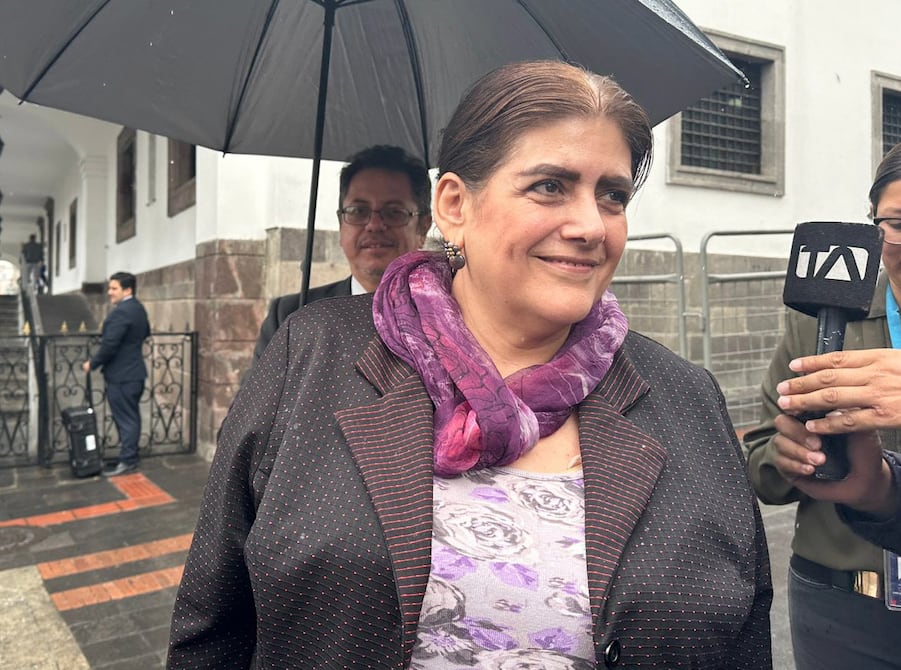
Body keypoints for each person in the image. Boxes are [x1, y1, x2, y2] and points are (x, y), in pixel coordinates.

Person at [168, 60, 772, 669]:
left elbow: (744, 636)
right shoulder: (313, 354)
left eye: (612, 195)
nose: (592, 225)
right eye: (550, 186)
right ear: (454, 205)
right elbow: (213, 625)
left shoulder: (687, 397)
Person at [743, 142, 901, 670]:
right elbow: (762, 465)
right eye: (898, 223)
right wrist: (788, 457)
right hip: (842, 602)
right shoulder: (820, 320)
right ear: (873, 226)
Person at [252, 144, 431, 361]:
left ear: (423, 227)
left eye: (394, 212)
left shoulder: (445, 314)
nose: (374, 225)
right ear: (340, 224)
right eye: (358, 211)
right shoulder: (289, 316)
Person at [83, 272, 151, 477]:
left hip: (123, 375)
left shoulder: (122, 312)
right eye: (109, 288)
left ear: (127, 290)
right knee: (130, 417)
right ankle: (128, 455)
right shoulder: (138, 308)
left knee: (126, 420)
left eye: (114, 288)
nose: (109, 292)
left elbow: (110, 344)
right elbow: (145, 332)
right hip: (133, 373)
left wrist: (92, 363)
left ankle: (128, 461)